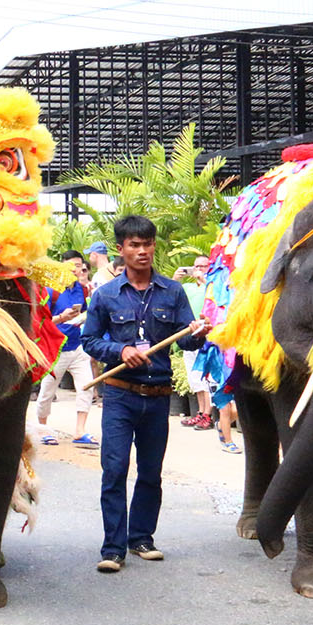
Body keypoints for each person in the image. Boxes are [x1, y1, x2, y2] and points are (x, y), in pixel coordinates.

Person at [80, 216, 209, 574]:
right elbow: (89, 340)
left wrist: (198, 333)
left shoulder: (173, 291)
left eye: (147, 244)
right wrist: (119, 351)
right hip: (120, 395)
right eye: (134, 245)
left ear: (154, 247)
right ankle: (112, 548)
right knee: (115, 468)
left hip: (157, 395)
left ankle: (141, 539)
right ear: (120, 250)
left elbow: (185, 338)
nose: (142, 251)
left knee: (151, 472)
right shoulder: (105, 295)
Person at [35, 250, 96, 447]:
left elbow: (85, 313)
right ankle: (42, 428)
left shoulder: (82, 289)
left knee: (86, 386)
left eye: (79, 266)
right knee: (47, 390)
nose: (76, 269)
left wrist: (82, 316)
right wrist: (62, 318)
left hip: (77, 346)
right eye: (71, 265)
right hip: (56, 348)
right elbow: (41, 322)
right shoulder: (51, 290)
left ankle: (80, 431)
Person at [178, 256, 215, 430]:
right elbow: (171, 295)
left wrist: (205, 280)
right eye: (196, 266)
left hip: (207, 334)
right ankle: (200, 412)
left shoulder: (214, 285)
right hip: (189, 334)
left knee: (205, 376)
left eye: (203, 266)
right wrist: (176, 278)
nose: (199, 269)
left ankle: (208, 414)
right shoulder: (187, 287)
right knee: (194, 377)